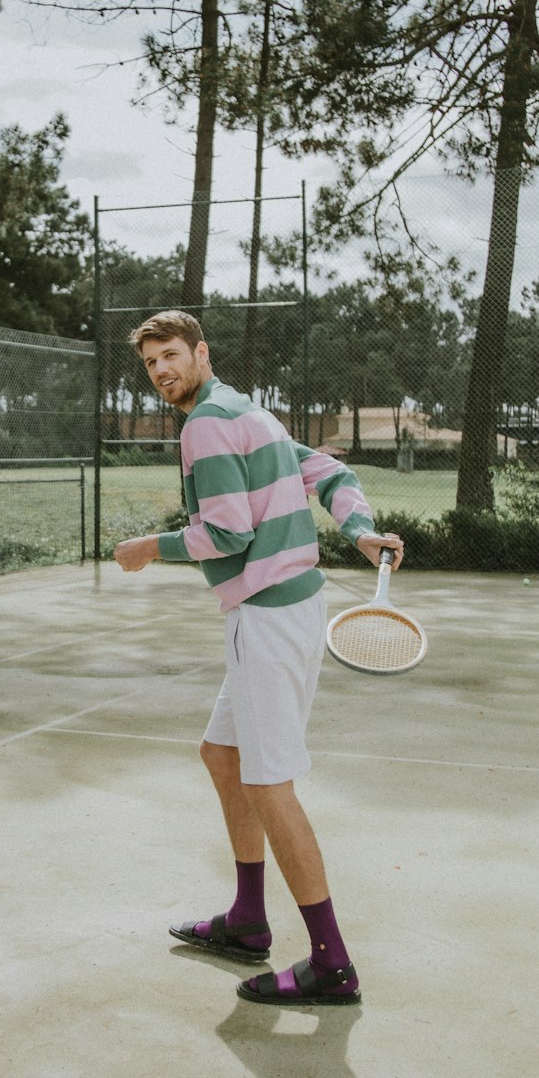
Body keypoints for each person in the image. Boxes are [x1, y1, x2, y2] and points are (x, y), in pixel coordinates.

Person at [114, 311, 403, 1007]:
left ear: (200, 352)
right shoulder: (249, 412)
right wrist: (360, 531)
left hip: (270, 617)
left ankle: (332, 964)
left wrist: (149, 547)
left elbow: (226, 533)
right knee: (223, 756)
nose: (162, 371)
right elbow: (332, 471)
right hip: (281, 611)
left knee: (270, 786)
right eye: (152, 363)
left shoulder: (208, 424)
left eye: (172, 356)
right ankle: (247, 921)